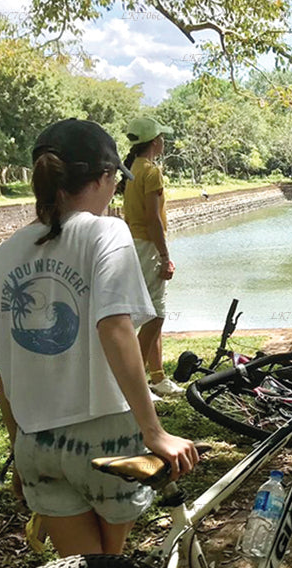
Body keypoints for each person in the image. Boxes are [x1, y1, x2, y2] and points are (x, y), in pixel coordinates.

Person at [0, 118, 199, 568]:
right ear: (103, 179)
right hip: (106, 440)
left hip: (37, 444)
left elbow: (1, 368)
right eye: (112, 182)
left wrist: (16, 448)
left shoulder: (4, 255)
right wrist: (154, 432)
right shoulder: (107, 234)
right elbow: (116, 327)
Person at [120, 116, 180, 397]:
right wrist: (165, 254)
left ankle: (157, 377)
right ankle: (135, 384)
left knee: (152, 309)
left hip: (135, 244)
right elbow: (153, 218)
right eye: (161, 138)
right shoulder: (152, 171)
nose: (163, 141)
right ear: (155, 142)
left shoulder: (133, 168)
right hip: (148, 245)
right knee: (155, 314)